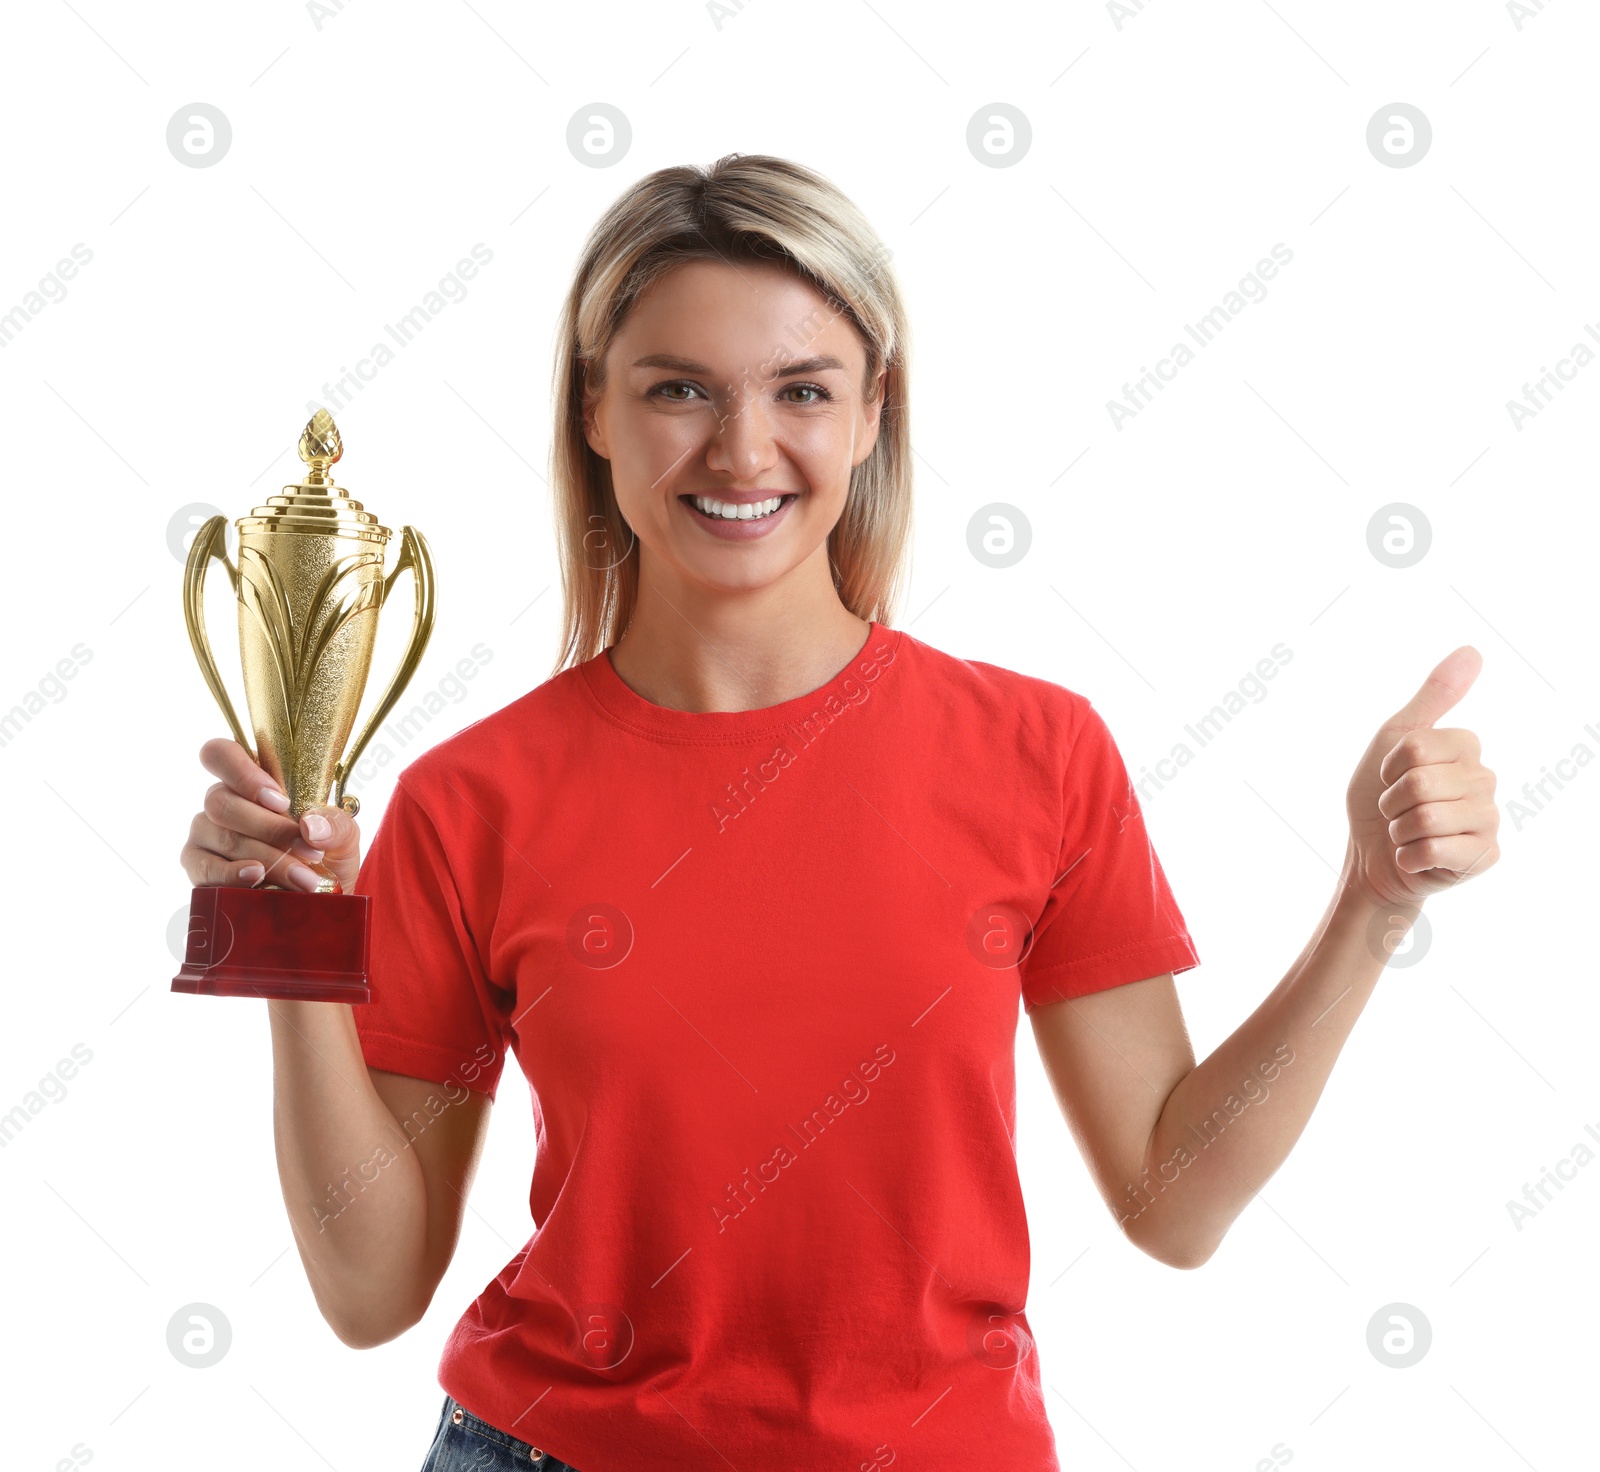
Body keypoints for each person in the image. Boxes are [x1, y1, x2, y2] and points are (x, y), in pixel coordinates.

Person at [178, 153, 1501, 1472]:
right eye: (677, 389)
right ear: (595, 412)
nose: (740, 450)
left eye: (800, 391)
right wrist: (292, 940)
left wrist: (1370, 905)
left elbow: (1175, 1201)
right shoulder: (472, 798)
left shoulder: (1037, 753)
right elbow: (368, 1292)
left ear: (873, 413)